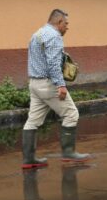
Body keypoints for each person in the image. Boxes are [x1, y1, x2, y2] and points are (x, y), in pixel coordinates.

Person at [22, 9, 91, 169]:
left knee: (32, 120)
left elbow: (42, 59)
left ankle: (28, 159)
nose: (67, 27)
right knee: (71, 114)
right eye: (66, 24)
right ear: (59, 22)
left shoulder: (37, 34)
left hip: (34, 83)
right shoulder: (54, 36)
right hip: (48, 84)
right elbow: (52, 64)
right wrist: (61, 85)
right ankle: (68, 154)